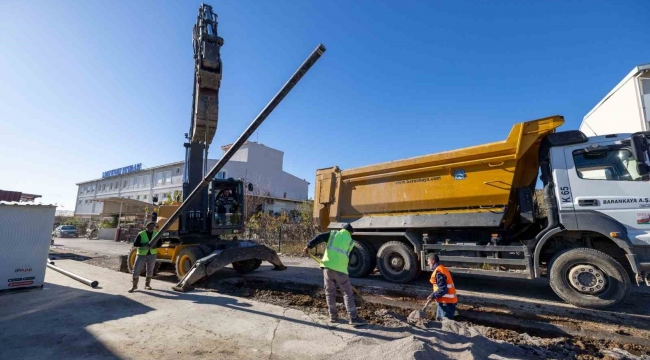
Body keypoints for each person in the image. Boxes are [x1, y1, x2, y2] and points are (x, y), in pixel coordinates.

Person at [303, 224, 366, 326]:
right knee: (347, 293)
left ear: (342, 229)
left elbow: (319, 237)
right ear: (350, 233)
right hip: (341, 271)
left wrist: (308, 246)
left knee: (329, 292)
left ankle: (333, 316)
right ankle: (353, 318)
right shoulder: (351, 242)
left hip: (327, 268)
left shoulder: (333, 234)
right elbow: (349, 259)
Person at [129, 222, 158, 293]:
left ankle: (147, 285)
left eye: (153, 226)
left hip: (152, 254)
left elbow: (160, 243)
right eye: (150, 226)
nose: (151, 227)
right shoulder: (141, 234)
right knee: (136, 270)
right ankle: (134, 286)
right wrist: (144, 244)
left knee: (150, 270)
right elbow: (135, 244)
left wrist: (155, 245)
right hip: (141, 254)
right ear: (146, 226)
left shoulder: (156, 233)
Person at [427, 253, 458, 320]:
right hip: (445, 302)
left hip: (446, 304)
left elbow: (442, 289)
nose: (428, 263)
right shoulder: (442, 269)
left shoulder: (439, 272)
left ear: (433, 261)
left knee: (444, 323)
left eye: (428, 261)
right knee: (440, 321)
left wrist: (433, 295)